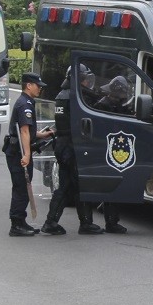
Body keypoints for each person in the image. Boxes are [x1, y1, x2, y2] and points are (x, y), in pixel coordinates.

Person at [40, 65, 104, 236]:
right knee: (78, 185)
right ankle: (82, 223)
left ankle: (53, 222)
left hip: (62, 145)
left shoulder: (62, 95)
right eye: (84, 79)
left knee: (67, 186)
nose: (87, 83)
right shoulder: (76, 97)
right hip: (72, 146)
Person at [4, 72, 55, 237]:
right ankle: (16, 224)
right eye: (37, 85)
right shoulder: (24, 104)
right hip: (18, 151)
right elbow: (24, 131)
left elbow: (29, 131)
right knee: (21, 187)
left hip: (18, 149)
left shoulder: (26, 102)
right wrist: (26, 155)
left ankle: (21, 221)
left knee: (23, 187)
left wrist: (41, 135)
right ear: (28, 85)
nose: (39, 88)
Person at [92, 75, 131, 234]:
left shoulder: (117, 105)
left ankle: (111, 219)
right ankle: (111, 222)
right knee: (112, 186)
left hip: (114, 149)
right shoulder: (103, 106)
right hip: (107, 150)